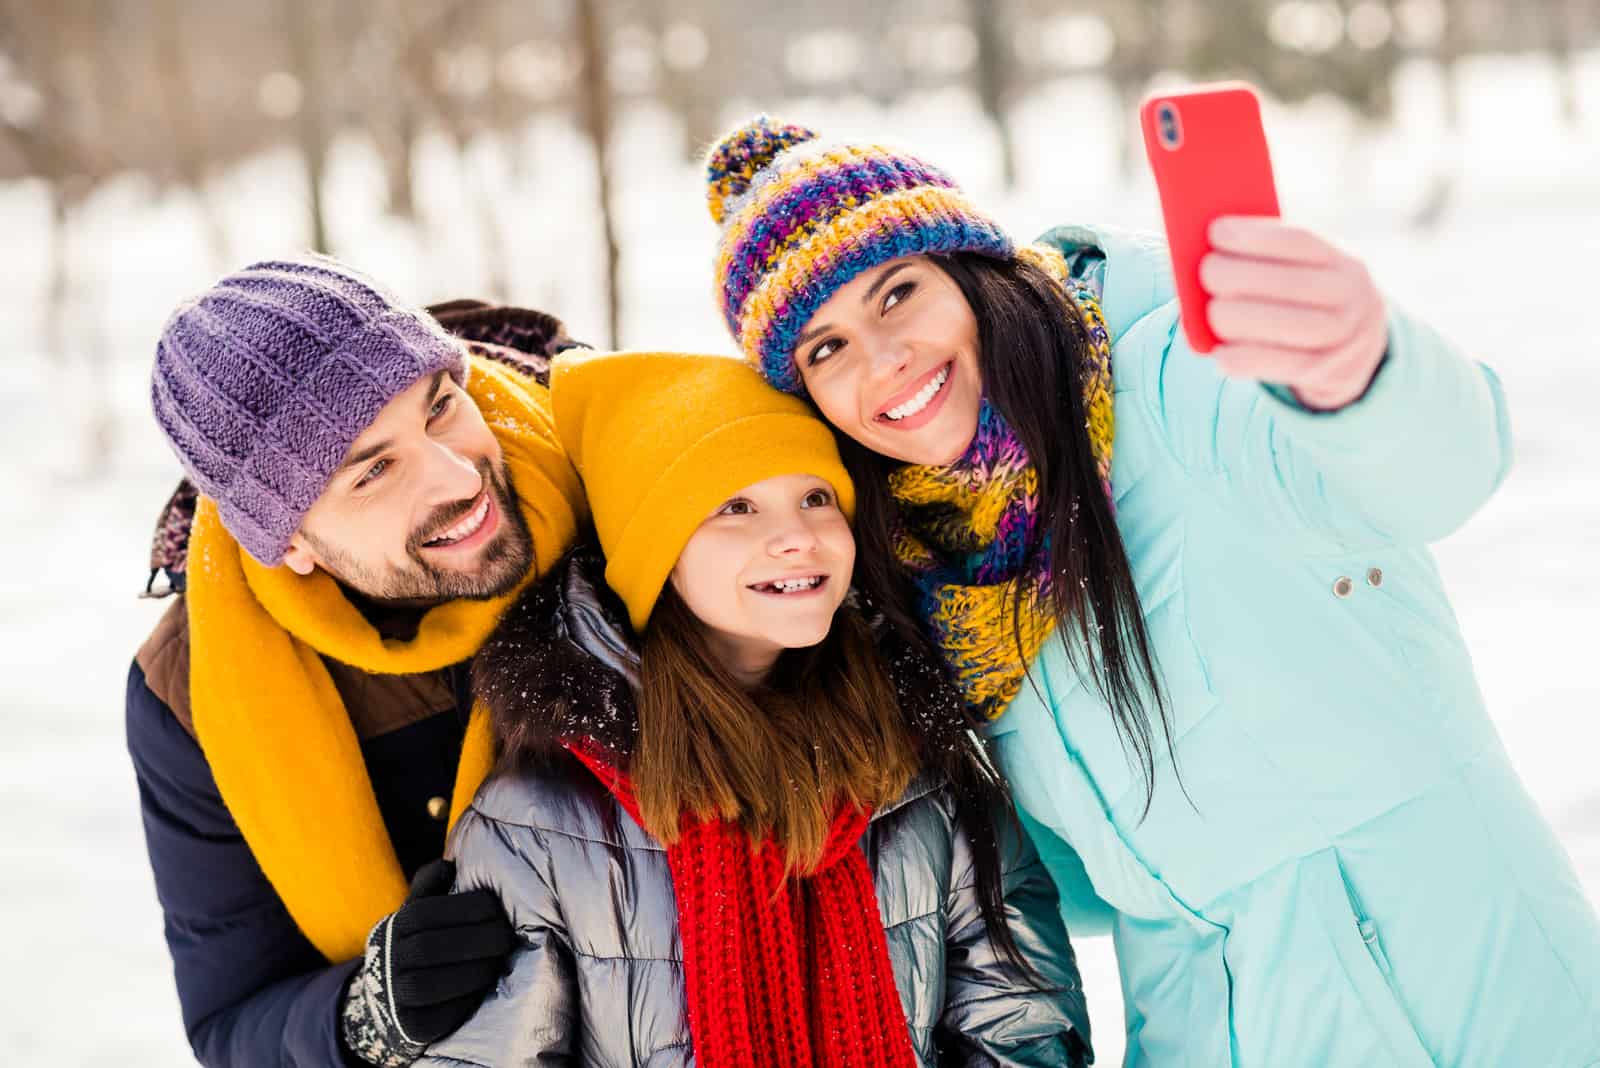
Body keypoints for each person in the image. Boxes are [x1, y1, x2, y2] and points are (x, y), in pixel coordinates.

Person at [698, 116, 1600, 1066]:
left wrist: (1357, 364)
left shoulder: (1175, 383)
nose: (881, 360)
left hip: (1465, 1006)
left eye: (898, 294)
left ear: (970, 271)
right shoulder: (933, 577)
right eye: (825, 349)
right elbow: (1099, 886)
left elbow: (1442, 470)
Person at [417, 349, 1092, 1067]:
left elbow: (1023, 1028)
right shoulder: (538, 820)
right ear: (655, 552)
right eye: (736, 507)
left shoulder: (921, 764)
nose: (797, 535)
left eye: (815, 497)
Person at [126, 256, 588, 1066]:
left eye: (442, 408)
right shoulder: (192, 696)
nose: (458, 475)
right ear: (290, 543)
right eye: (374, 470)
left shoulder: (617, 475)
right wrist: (366, 1010)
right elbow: (231, 1019)